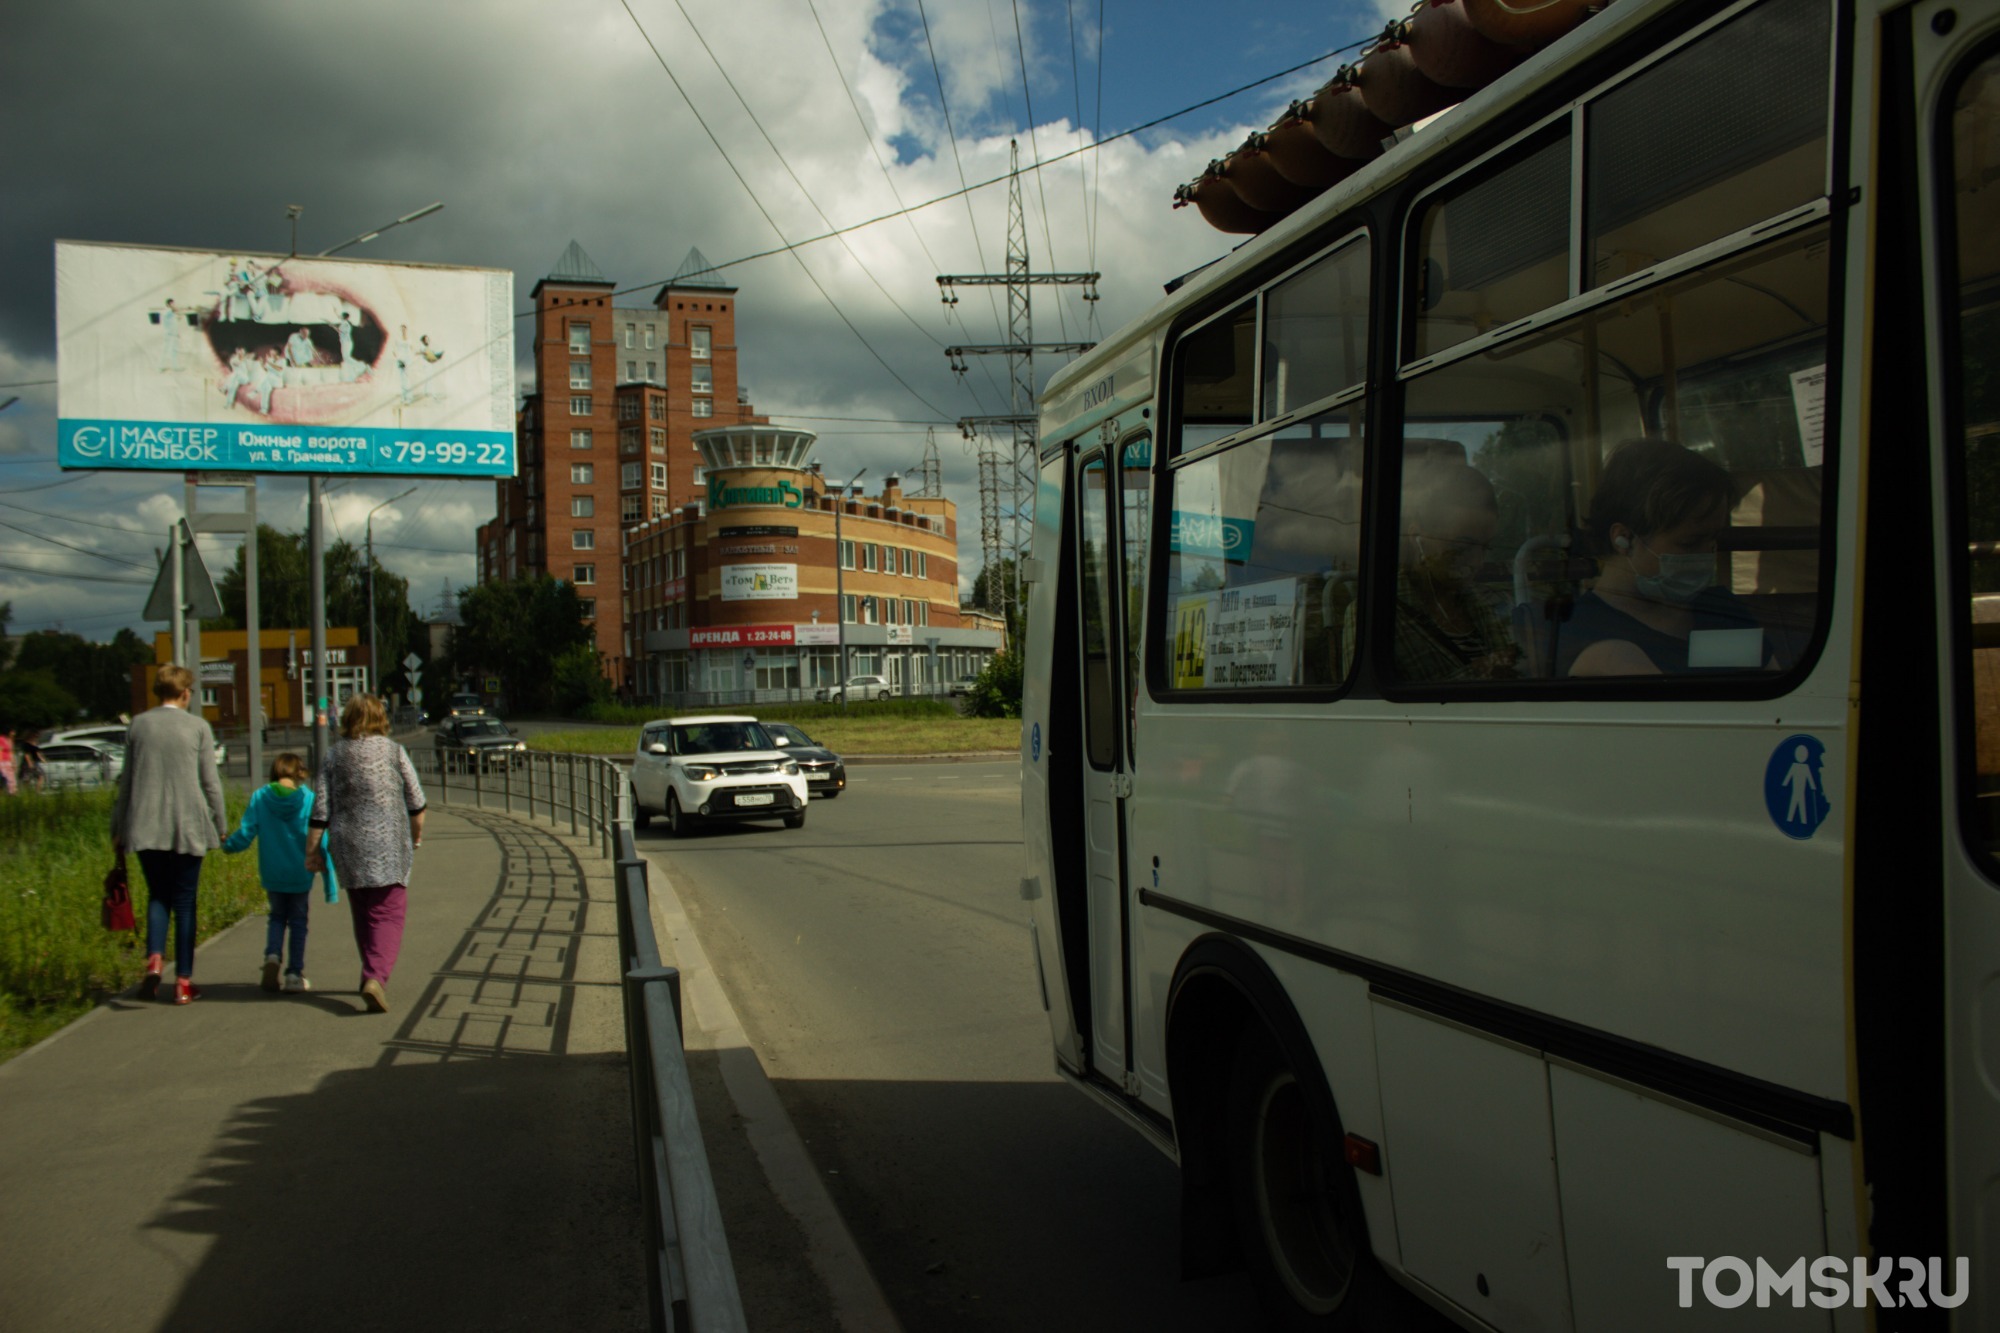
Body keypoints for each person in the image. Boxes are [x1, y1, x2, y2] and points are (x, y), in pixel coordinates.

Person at [1557, 439, 1768, 677]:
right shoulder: (1594, 637)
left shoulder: (1718, 611)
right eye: (1689, 543)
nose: (1706, 555)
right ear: (1623, 539)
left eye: (1712, 539)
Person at [111, 665, 228, 1004]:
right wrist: (220, 824)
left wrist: (117, 829)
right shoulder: (198, 727)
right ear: (185, 693)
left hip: (145, 825)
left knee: (158, 896)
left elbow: (127, 782)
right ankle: (184, 982)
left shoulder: (138, 725)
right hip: (188, 826)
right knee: (185, 902)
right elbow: (210, 782)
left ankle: (154, 961)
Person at [306, 694, 425, 1014]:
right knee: (388, 913)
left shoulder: (334, 755)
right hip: (389, 845)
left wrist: (312, 850)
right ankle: (375, 976)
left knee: (363, 911)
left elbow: (320, 808)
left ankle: (370, 972)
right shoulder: (394, 751)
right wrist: (416, 835)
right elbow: (416, 801)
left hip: (348, 845)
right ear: (380, 718)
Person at [1347, 461, 1518, 682]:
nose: (1477, 562)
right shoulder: (1374, 614)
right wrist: (1486, 669)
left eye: (1485, 548)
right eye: (1460, 547)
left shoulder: (1489, 603)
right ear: (1418, 536)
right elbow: (1378, 707)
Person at [224, 752, 340, 994]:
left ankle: (273, 956)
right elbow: (323, 839)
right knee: (298, 922)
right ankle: (294, 974)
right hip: (301, 872)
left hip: (272, 871)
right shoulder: (308, 799)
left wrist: (227, 845)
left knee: (277, 917)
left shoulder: (260, 797)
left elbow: (246, 833)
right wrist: (330, 880)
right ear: (299, 773)